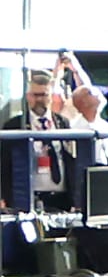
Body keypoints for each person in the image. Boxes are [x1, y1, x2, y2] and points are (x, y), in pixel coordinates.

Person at [1, 71, 76, 212]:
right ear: (28, 96)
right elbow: (5, 165)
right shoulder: (15, 125)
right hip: (28, 197)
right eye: (36, 95)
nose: (40, 99)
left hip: (61, 197)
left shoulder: (62, 122)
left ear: (51, 97)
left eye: (44, 95)